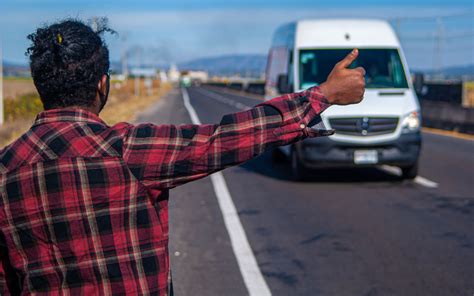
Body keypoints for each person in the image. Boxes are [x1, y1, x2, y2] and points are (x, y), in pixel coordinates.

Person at [0, 19, 365, 295]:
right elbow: (225, 139)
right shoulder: (125, 150)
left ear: (40, 84)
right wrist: (323, 95)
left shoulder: (4, 170)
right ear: (102, 84)